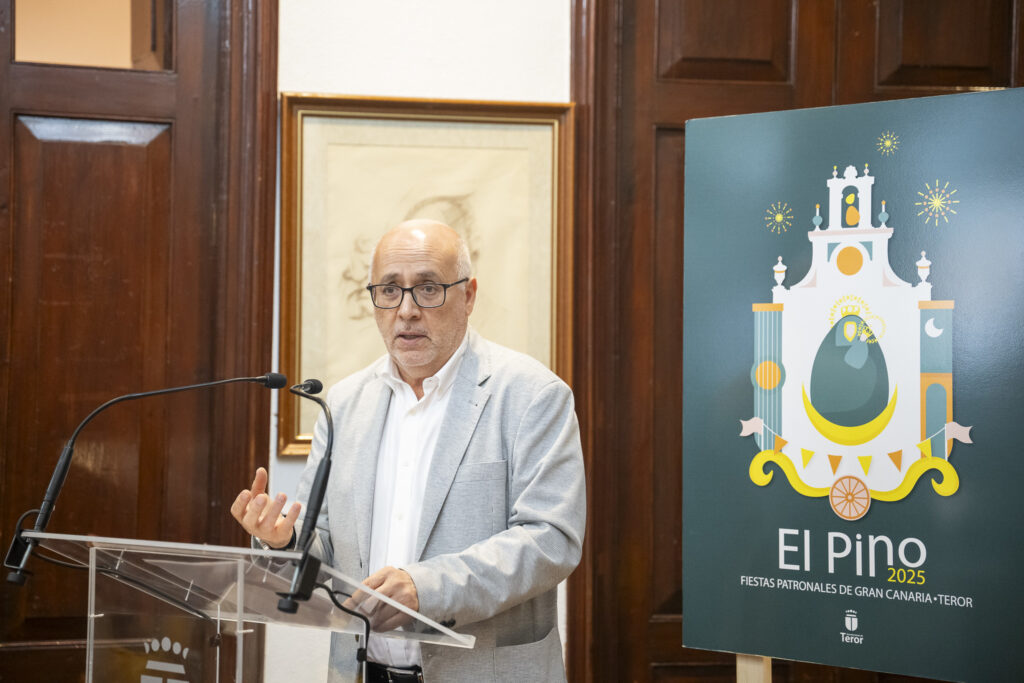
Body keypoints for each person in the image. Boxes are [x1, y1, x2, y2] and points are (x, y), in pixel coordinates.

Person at [230, 219, 586, 682]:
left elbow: (550, 540)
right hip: (362, 672)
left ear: (468, 296)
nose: (407, 310)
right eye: (389, 290)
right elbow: (326, 546)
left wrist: (426, 587)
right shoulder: (343, 403)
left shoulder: (532, 395)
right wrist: (284, 541)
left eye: (428, 288)